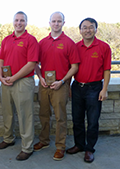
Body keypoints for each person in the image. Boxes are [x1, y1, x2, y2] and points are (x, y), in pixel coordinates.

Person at [33, 11, 80, 161]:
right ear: (49, 23)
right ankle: (44, 140)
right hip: (44, 85)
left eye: (59, 21)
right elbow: (34, 63)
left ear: (63, 23)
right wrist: (39, 77)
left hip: (60, 85)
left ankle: (60, 146)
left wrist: (62, 81)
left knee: (60, 117)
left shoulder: (69, 43)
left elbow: (74, 67)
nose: (56, 24)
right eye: (53, 21)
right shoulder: (42, 42)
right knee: (44, 114)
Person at [66, 18, 111, 163]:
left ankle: (89, 149)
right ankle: (79, 145)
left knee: (92, 121)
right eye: (84, 27)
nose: (87, 30)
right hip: (77, 87)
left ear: (96, 29)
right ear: (80, 30)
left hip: (94, 88)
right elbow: (71, 68)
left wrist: (104, 89)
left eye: (91, 27)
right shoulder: (75, 47)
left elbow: (107, 70)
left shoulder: (104, 47)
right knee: (77, 119)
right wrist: (68, 86)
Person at [0, 11, 39, 161]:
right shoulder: (7, 39)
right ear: (13, 22)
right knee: (8, 112)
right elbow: (1, 59)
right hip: (6, 81)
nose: (19, 23)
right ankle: (8, 138)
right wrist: (0, 76)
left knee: (25, 114)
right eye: (17, 20)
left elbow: (31, 64)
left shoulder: (31, 40)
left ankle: (27, 147)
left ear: (26, 23)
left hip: (23, 82)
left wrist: (13, 78)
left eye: (22, 20)